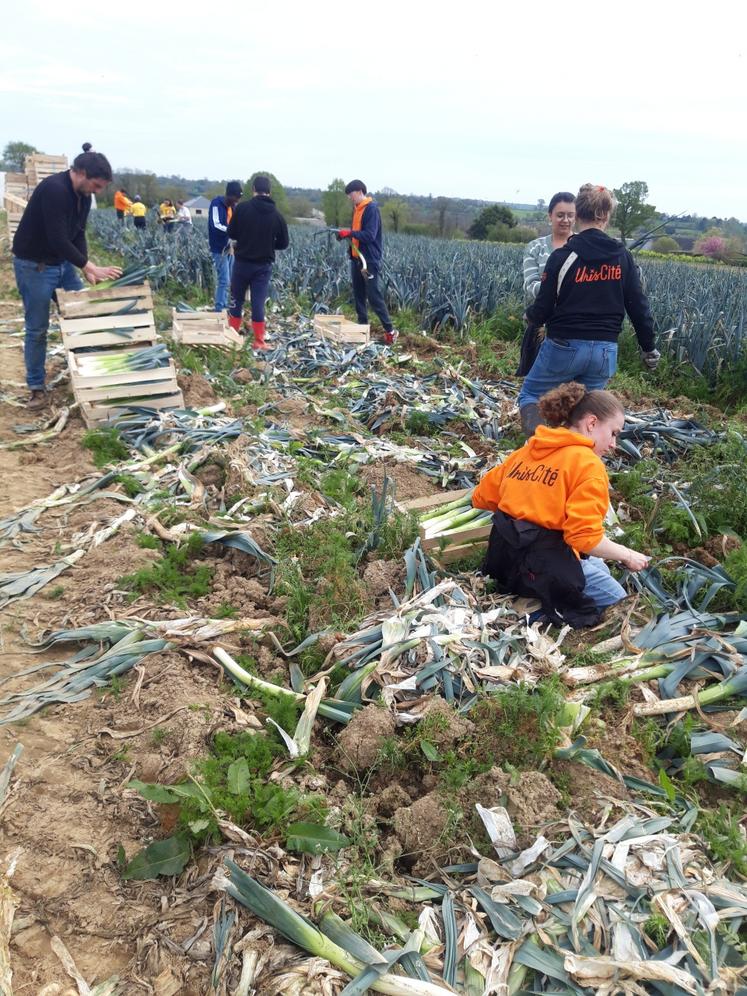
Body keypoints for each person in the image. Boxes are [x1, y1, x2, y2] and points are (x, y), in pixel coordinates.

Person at [473, 382, 649, 628]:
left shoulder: (528, 450)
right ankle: (538, 608)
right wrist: (628, 555)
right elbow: (584, 538)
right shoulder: (588, 465)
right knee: (620, 601)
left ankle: (530, 595)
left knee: (598, 566)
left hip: (502, 560)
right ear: (591, 423)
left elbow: (482, 497)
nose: (613, 444)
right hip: (542, 570)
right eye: (614, 433)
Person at [517, 184, 660, 436]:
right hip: (605, 352)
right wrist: (649, 348)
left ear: (577, 215)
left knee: (531, 395)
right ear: (605, 217)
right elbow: (638, 306)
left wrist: (531, 317)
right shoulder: (622, 257)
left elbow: (544, 304)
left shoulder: (563, 256)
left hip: (564, 345)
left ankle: (541, 447)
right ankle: (581, 458)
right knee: (585, 408)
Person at [12, 150, 122, 408]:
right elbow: (58, 238)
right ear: (82, 173)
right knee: (38, 328)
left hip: (62, 265)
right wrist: (89, 264)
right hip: (34, 266)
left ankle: (89, 375)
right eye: (96, 185)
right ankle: (37, 387)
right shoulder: (55, 190)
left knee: (82, 316)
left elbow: (78, 233)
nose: (96, 191)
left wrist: (86, 268)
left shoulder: (83, 196)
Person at [517, 191, 576, 379]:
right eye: (560, 215)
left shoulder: (583, 246)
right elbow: (531, 285)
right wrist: (560, 288)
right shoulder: (536, 248)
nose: (565, 220)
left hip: (575, 326)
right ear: (550, 216)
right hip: (543, 326)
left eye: (570, 215)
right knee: (537, 384)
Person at [226, 175, 289, 350]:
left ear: (253, 189)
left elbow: (231, 233)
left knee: (236, 299)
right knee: (258, 303)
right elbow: (284, 243)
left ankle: (232, 337)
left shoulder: (242, 209)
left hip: (242, 263)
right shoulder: (277, 216)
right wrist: (268, 244)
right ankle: (259, 342)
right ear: (269, 191)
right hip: (263, 266)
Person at [336, 179, 398, 345]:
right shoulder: (356, 209)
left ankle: (390, 331)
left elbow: (369, 235)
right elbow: (356, 233)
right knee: (358, 294)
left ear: (359, 191)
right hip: (356, 258)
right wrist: (344, 235)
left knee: (373, 295)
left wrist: (350, 233)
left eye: (351, 194)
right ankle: (362, 328)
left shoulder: (371, 209)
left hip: (369, 259)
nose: (350, 198)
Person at [208, 181, 243, 311]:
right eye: (236, 198)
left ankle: (224, 306)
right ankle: (219, 308)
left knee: (230, 279)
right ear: (229, 195)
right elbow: (216, 224)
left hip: (230, 247)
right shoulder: (216, 204)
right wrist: (233, 232)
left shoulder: (232, 208)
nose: (237, 201)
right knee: (224, 279)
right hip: (219, 248)